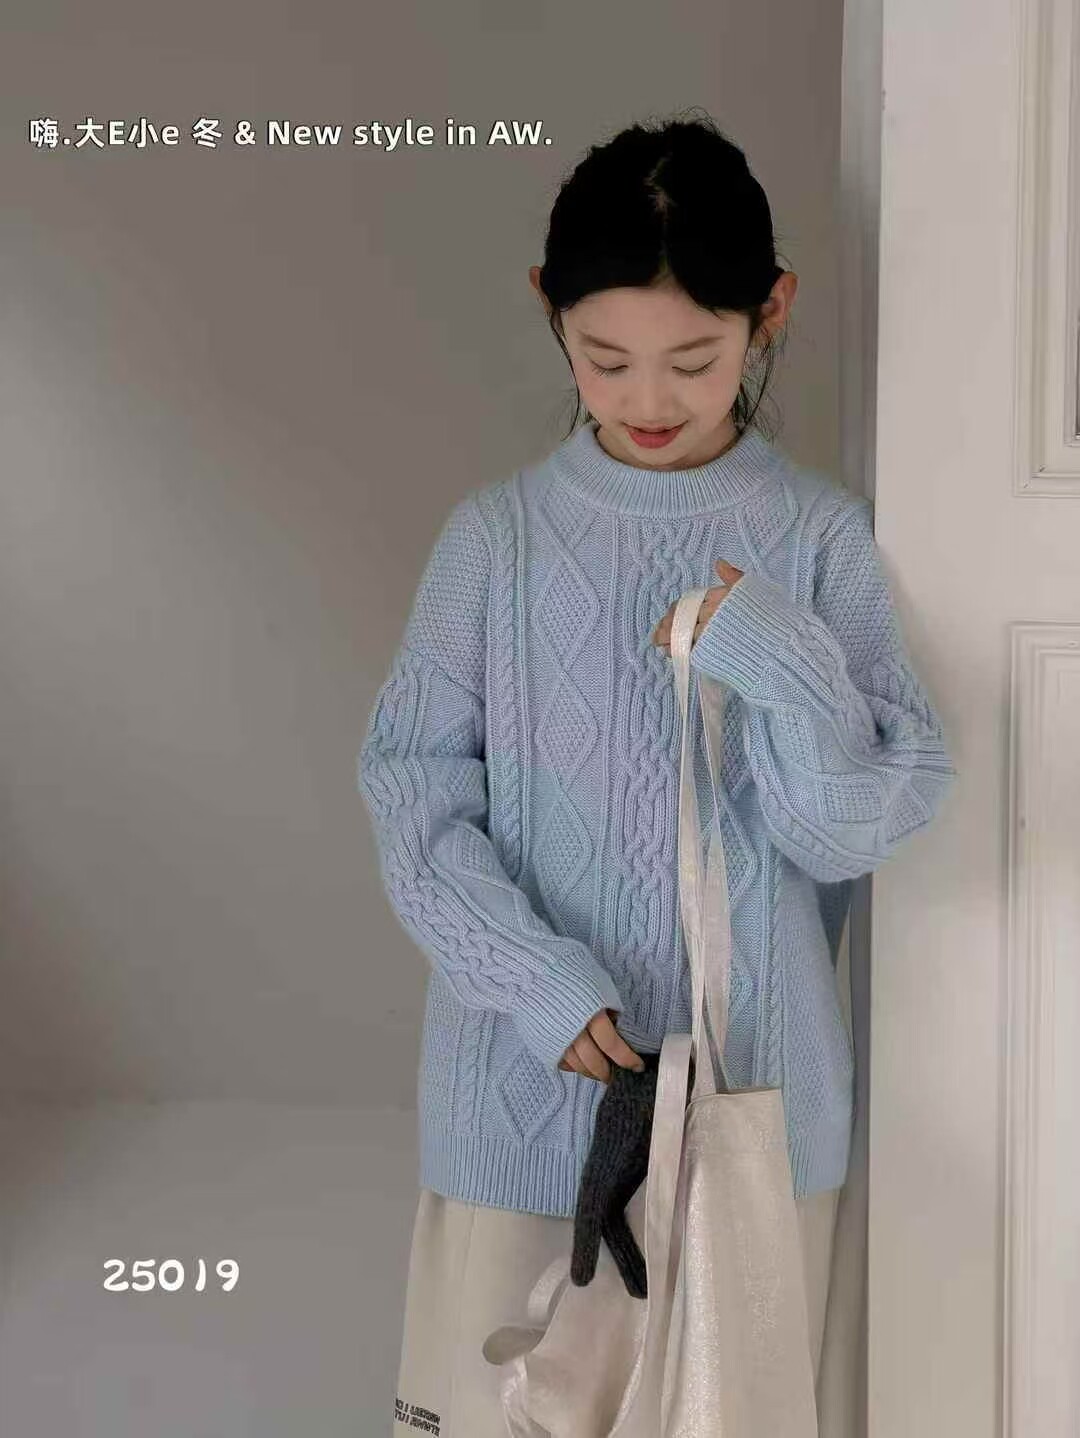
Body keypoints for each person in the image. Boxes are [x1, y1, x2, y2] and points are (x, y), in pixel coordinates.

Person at [359, 113, 958, 1438]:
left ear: (770, 313)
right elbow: (412, 797)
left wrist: (776, 655)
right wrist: (538, 980)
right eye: (604, 357)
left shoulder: (820, 539)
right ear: (549, 310)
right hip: (525, 1113)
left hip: (753, 1119)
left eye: (695, 360)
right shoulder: (495, 543)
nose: (646, 400)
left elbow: (849, 826)